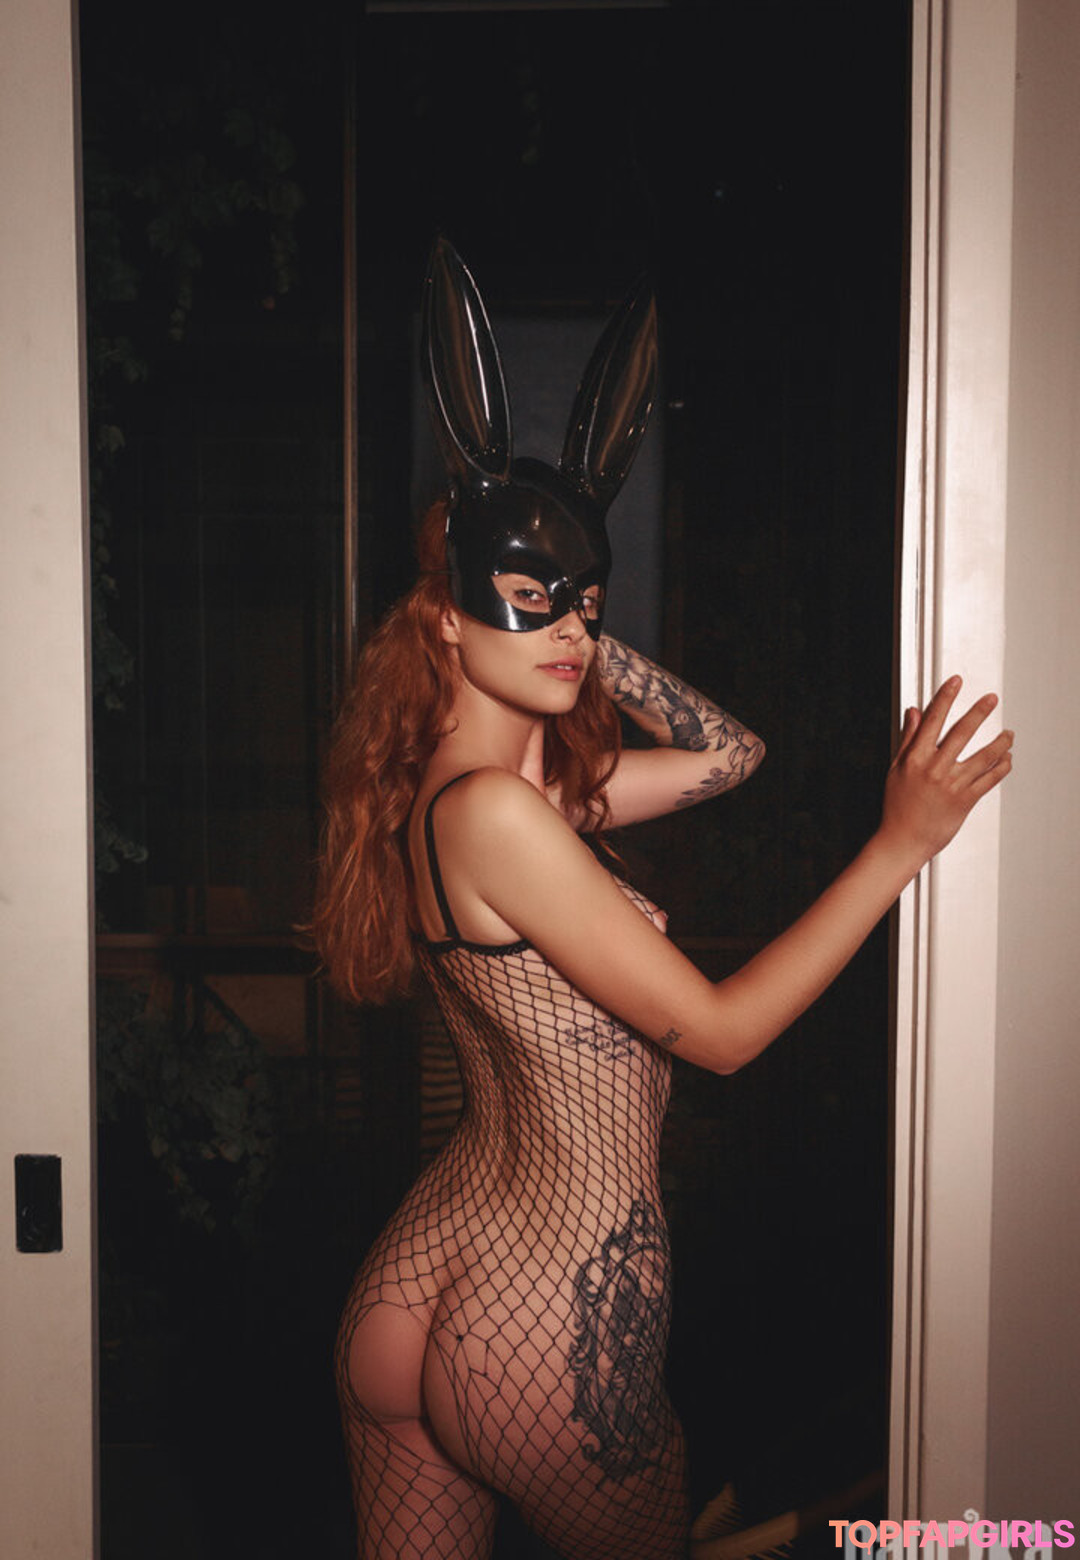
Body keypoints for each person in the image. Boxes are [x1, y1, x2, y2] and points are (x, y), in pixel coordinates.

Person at [312, 240, 1013, 1560]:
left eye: (585, 603)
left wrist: (570, 630)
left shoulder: (466, 801)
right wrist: (900, 846)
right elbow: (726, 1034)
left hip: (419, 1286)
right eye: (531, 602)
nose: (572, 630)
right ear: (444, 618)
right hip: (541, 1322)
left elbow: (729, 755)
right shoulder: (501, 815)